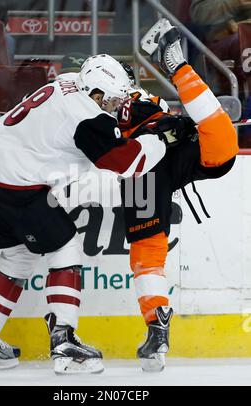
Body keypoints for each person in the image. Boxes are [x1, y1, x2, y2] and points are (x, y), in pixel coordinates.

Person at [0, 54, 167, 374]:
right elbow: (130, 165)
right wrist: (160, 137)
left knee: (18, 255)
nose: (114, 106)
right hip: (11, 182)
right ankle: (65, 342)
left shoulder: (67, 81)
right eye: (111, 100)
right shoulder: (89, 117)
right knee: (65, 245)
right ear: (97, 94)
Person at [117, 18, 239, 372]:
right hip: (139, 167)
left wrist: (176, 124)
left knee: (222, 147)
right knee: (148, 250)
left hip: (162, 158)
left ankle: (178, 66)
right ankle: (157, 326)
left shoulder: (136, 96)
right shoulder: (92, 103)